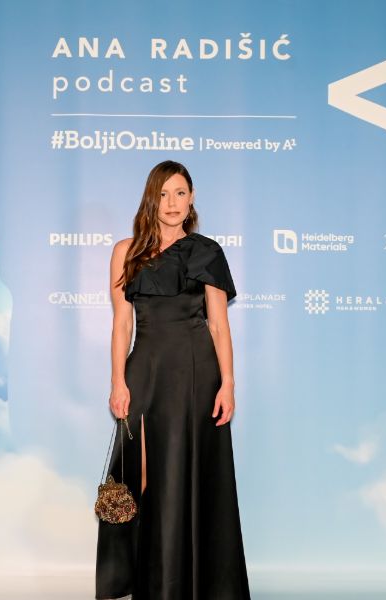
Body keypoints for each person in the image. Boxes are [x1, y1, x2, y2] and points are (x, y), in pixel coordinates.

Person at [95, 160, 251, 599]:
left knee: (188, 474)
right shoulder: (125, 251)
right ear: (151, 198)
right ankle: (151, 584)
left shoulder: (206, 252)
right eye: (163, 194)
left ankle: (187, 585)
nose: (171, 203)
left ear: (192, 197)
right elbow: (121, 324)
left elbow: (218, 325)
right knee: (141, 477)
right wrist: (117, 380)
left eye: (180, 193)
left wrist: (228, 383)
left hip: (196, 374)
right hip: (145, 369)